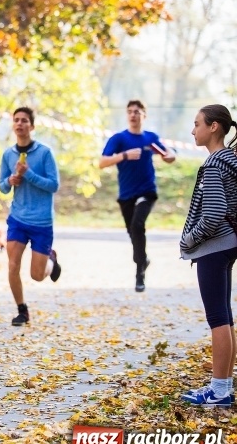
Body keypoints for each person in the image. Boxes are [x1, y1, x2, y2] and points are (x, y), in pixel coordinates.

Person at [179, 104, 237, 407]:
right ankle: (223, 386)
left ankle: (219, 391)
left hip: (215, 247)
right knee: (225, 318)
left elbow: (213, 213)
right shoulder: (230, 160)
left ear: (214, 127)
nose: (193, 131)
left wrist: (191, 238)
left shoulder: (215, 164)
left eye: (197, 124)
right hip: (228, 244)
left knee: (217, 319)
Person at [99, 100, 176, 292]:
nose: (133, 115)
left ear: (144, 115)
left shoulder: (150, 138)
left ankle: (139, 273)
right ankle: (143, 259)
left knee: (137, 225)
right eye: (130, 111)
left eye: (137, 111)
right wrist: (124, 156)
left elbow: (168, 154)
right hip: (126, 194)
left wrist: (170, 155)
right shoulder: (119, 138)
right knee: (133, 232)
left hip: (147, 191)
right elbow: (102, 162)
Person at [0, 107, 61, 326]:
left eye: (24, 120)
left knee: (37, 275)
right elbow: (2, 187)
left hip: (42, 221)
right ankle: (22, 310)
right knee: (13, 265)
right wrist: (10, 181)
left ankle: (51, 260)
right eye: (16, 120)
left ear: (32, 126)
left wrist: (28, 174)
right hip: (18, 218)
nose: (20, 123)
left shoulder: (44, 153)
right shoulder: (8, 155)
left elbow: (53, 185)